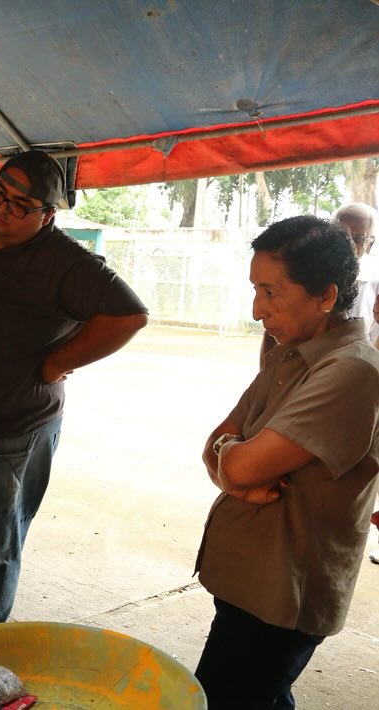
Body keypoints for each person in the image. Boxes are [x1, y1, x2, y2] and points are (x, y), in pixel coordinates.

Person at [0, 150, 148, 640]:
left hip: (8, 431)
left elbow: (129, 315)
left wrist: (60, 362)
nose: (3, 209)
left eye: (21, 205)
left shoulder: (66, 263)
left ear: (49, 215)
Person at [195, 215, 379, 709]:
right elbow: (217, 441)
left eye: (271, 292)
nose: (257, 310)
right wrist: (230, 461)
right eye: (256, 290)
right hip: (250, 576)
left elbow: (238, 463)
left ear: (325, 295)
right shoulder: (290, 352)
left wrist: (230, 464)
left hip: (282, 594)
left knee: (223, 698)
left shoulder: (350, 371)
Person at [259, 202, 378, 362]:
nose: (346, 244)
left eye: (357, 238)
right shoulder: (301, 277)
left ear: (370, 244)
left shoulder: (374, 288)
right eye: (340, 234)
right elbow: (273, 338)